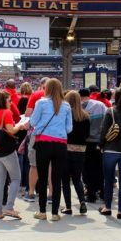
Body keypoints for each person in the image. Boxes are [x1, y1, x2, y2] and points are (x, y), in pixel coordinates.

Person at [29, 78, 73, 221]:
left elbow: (33, 122)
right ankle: (55, 213)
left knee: (42, 178)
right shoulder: (66, 106)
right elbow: (69, 128)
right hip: (61, 144)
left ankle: (42, 211)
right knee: (56, 179)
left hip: (44, 143)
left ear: (46, 88)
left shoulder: (40, 103)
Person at [0, 91, 27, 220]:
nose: (11, 103)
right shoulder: (7, 113)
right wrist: (20, 126)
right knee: (16, 178)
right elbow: (11, 130)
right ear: (4, 101)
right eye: (9, 101)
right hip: (7, 151)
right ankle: (9, 207)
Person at [100, 87, 121, 219]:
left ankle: (107, 207)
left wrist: (101, 145)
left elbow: (104, 131)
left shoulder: (110, 112)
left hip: (110, 149)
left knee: (108, 180)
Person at [61, 90, 89, 215]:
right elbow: (87, 135)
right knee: (77, 178)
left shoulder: (65, 114)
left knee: (65, 180)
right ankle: (82, 201)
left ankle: (68, 207)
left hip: (66, 148)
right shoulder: (85, 116)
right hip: (81, 150)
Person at [79, 87, 106, 202]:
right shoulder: (100, 105)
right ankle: (102, 191)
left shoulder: (77, 107)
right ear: (89, 94)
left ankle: (90, 193)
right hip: (99, 141)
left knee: (87, 168)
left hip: (84, 142)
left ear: (79, 96)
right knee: (99, 167)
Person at [24, 77, 48, 202]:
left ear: (42, 85)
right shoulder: (61, 100)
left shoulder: (36, 95)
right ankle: (50, 195)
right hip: (56, 137)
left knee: (34, 165)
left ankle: (31, 193)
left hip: (37, 134)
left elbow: (28, 115)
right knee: (50, 166)